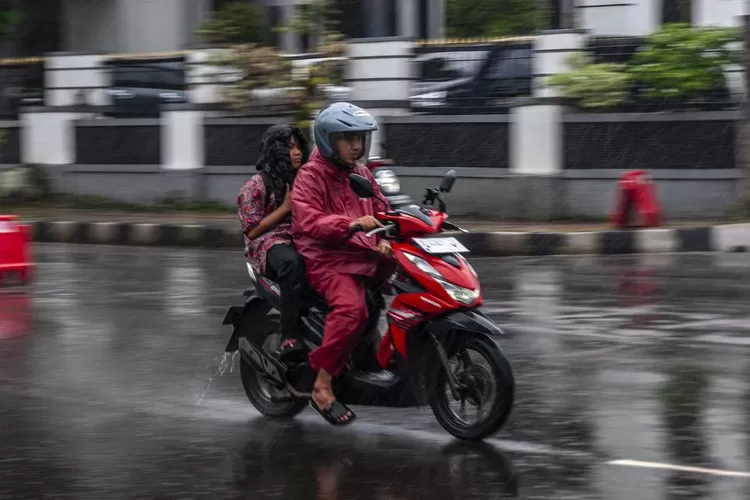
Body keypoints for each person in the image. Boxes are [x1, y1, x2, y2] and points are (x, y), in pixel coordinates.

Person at [291, 102, 396, 426]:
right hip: (327, 257)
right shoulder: (311, 174)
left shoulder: (362, 173)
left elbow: (382, 207)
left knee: (405, 286)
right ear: (327, 140)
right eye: (346, 138)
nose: (356, 145)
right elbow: (309, 219)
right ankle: (322, 386)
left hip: (360, 252)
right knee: (352, 310)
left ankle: (370, 356)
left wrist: (389, 230)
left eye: (360, 138)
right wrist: (347, 224)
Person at [237, 124, 310, 356]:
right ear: (275, 150)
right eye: (289, 148)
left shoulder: (305, 179)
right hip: (268, 242)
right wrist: (285, 208)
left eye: (299, 146)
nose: (297, 152)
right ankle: (289, 336)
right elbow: (252, 231)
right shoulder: (256, 185)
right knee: (291, 264)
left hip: (300, 236)